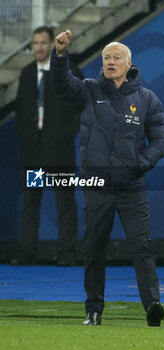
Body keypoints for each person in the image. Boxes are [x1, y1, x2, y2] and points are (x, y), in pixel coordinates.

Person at [50, 30, 164, 326]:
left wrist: (139, 164)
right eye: (106, 58)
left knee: (141, 247)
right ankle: (93, 310)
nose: (110, 62)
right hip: (97, 188)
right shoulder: (89, 90)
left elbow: (162, 139)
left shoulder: (146, 99)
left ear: (130, 64)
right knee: (93, 248)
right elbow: (62, 84)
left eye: (117, 57)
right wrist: (60, 55)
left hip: (132, 187)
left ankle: (152, 305)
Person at [14, 26, 84, 266]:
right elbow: (21, 110)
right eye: (35, 43)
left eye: (43, 43)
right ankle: (27, 254)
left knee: (64, 205)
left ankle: (67, 253)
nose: (39, 48)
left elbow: (80, 106)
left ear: (53, 45)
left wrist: (65, 135)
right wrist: (25, 135)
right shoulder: (25, 74)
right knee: (30, 205)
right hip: (34, 154)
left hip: (60, 154)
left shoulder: (70, 71)